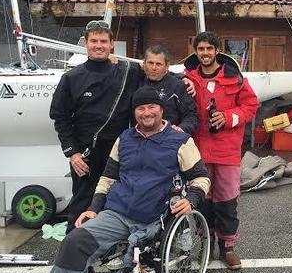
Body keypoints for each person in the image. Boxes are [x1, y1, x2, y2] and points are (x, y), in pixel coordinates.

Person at [38, 86, 210, 273]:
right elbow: (108, 178)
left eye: (152, 107)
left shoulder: (180, 141)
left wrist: (191, 200)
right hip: (117, 214)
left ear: (161, 109)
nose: (146, 112)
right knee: (73, 242)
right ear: (134, 112)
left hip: (153, 218)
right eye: (141, 108)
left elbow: (201, 178)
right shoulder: (124, 138)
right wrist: (93, 208)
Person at [50, 21, 195, 233]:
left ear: (111, 45)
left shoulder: (126, 71)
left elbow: (156, 72)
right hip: (86, 154)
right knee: (82, 202)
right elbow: (60, 118)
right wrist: (72, 153)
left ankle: (112, 250)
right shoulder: (71, 78)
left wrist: (183, 79)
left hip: (124, 149)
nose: (98, 45)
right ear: (86, 44)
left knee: (119, 202)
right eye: (93, 41)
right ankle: (78, 256)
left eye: (103, 41)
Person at [183, 31, 259, 270]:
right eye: (200, 49)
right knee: (202, 200)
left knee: (226, 200)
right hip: (198, 151)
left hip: (226, 151)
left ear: (217, 51)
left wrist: (228, 117)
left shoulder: (235, 79)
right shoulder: (187, 79)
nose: (205, 53)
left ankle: (228, 247)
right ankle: (207, 241)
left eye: (209, 49)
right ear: (196, 51)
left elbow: (251, 106)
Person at [140, 44, 198, 135]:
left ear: (167, 66)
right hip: (141, 140)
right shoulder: (136, 81)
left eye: (158, 64)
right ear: (144, 64)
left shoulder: (179, 86)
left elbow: (191, 116)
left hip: (169, 141)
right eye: (150, 63)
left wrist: (181, 128)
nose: (154, 68)